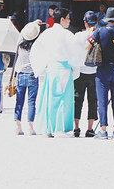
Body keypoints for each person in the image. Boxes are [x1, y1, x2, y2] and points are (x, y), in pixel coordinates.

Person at [31, 7, 82, 137]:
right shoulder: (67, 35)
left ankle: (49, 128)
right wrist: (75, 67)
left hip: (52, 69)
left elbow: (37, 50)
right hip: (64, 68)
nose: (69, 21)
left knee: (50, 99)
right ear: (62, 19)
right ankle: (61, 128)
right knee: (64, 99)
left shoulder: (47, 33)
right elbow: (75, 53)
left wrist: (41, 67)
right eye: (68, 18)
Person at [91, 7, 114, 139]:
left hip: (103, 69)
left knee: (102, 100)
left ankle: (103, 129)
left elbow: (87, 45)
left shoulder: (100, 31)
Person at [13, 21, 41, 135]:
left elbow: (24, 33)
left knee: (19, 101)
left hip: (20, 73)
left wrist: (32, 24)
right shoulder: (37, 46)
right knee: (31, 102)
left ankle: (18, 126)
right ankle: (30, 126)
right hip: (32, 74)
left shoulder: (19, 43)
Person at [73, 11, 99, 136]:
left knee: (77, 99)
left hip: (80, 71)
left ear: (85, 22)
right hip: (94, 72)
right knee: (93, 100)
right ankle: (90, 128)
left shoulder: (78, 36)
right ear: (97, 22)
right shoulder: (99, 35)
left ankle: (76, 127)